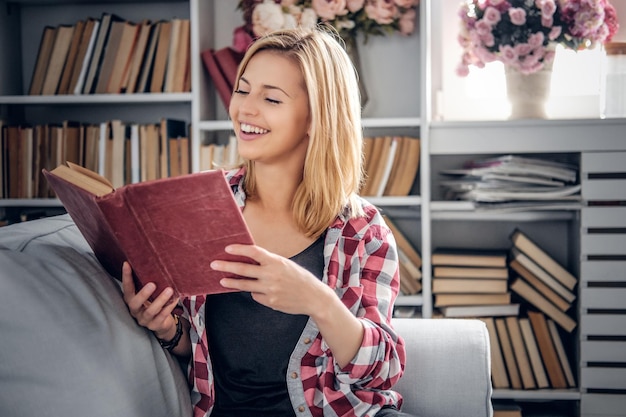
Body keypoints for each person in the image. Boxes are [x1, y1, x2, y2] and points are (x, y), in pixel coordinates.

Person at [122, 25, 415, 417]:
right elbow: (202, 347)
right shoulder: (200, 206)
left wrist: (318, 301)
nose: (245, 109)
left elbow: (382, 371)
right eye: (242, 90)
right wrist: (166, 328)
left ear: (316, 117)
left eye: (271, 98)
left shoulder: (362, 230)